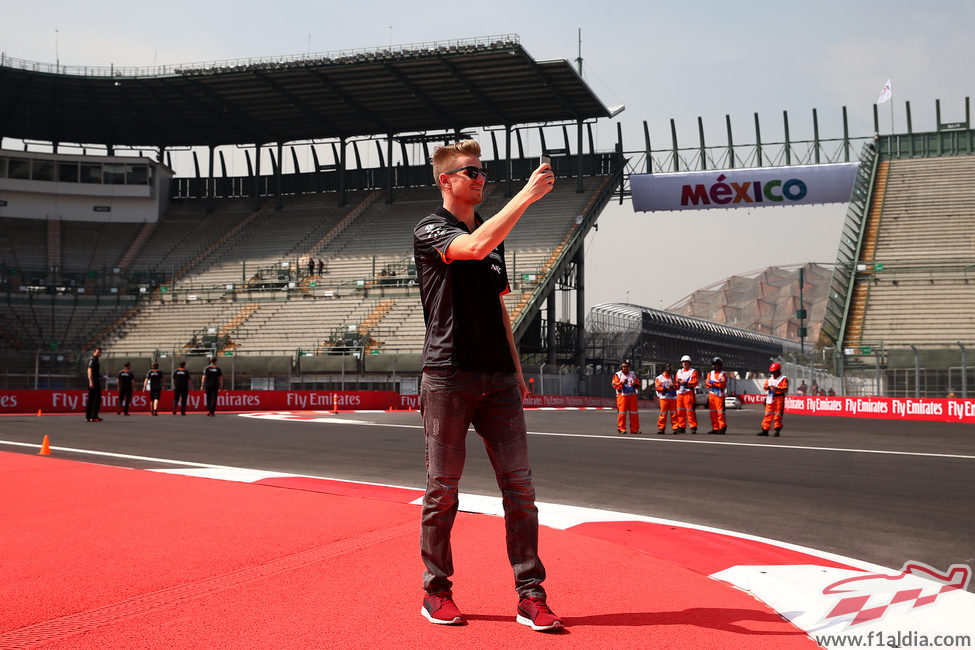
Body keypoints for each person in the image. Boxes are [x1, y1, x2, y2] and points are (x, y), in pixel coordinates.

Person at [412, 140, 561, 631]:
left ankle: (530, 594)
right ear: (445, 181)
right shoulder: (431, 229)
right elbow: (472, 248)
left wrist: (516, 373)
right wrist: (525, 196)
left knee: (520, 488)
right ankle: (436, 591)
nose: (479, 177)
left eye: (482, 171)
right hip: (447, 375)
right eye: (469, 171)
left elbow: (499, 309)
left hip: (497, 378)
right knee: (442, 490)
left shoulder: (495, 238)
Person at [757, 362, 789, 437]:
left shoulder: (783, 378)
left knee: (778, 415)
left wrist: (776, 388)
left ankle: (776, 430)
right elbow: (765, 387)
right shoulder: (769, 378)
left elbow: (785, 388)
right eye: (772, 372)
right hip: (770, 398)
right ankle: (765, 430)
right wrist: (768, 387)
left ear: (778, 371)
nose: (773, 373)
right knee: (767, 414)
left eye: (774, 372)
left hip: (779, 399)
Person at [612, 359, 641, 434]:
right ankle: (621, 428)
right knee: (622, 413)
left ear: (629, 367)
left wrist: (635, 384)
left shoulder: (633, 374)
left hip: (632, 396)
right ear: (621, 367)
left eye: (627, 367)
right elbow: (614, 385)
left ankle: (634, 429)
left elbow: (638, 384)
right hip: (622, 396)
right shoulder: (618, 374)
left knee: (634, 413)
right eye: (623, 367)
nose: (625, 368)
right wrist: (622, 383)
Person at [675, 354, 700, 433]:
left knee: (690, 411)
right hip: (679, 394)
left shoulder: (693, 371)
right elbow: (676, 382)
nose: (684, 364)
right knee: (679, 411)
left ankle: (693, 427)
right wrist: (676, 385)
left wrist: (686, 383)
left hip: (688, 393)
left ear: (689, 363)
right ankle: (681, 426)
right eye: (683, 362)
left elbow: (695, 382)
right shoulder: (679, 371)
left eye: (686, 362)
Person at [705, 357, 728, 434]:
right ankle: (715, 427)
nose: (715, 366)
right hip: (711, 394)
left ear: (720, 365)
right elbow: (707, 383)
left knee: (720, 412)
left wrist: (713, 383)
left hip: (719, 395)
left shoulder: (723, 374)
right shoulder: (710, 373)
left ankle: (722, 427)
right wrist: (716, 383)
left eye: (717, 365)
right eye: (714, 365)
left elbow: (722, 384)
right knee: (713, 412)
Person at [655, 365, 678, 434]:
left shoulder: (673, 377)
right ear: (665, 370)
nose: (669, 372)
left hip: (673, 397)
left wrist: (675, 386)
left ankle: (675, 428)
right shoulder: (659, 378)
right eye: (668, 371)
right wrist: (665, 388)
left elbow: (677, 386)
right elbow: (658, 388)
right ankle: (661, 428)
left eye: (670, 371)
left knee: (674, 414)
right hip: (664, 398)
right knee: (663, 414)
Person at [85, 346, 103, 422]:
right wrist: (91, 381)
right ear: (94, 352)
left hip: (96, 380)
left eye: (100, 352)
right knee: (95, 399)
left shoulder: (96, 360)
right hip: (94, 382)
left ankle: (90, 416)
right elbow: (89, 371)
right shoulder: (92, 360)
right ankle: (92, 416)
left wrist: (101, 376)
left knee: (94, 399)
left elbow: (95, 372)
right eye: (97, 352)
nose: (99, 353)